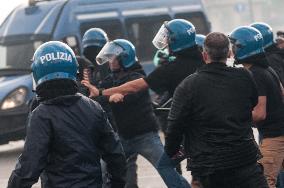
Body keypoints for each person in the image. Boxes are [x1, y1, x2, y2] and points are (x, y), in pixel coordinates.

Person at [7, 41, 126, 188]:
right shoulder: (93, 107)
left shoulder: (42, 114)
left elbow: (28, 167)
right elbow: (116, 155)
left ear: (39, 73)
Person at [165, 32, 268, 188]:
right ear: (229, 53)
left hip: (209, 166)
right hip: (244, 159)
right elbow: (252, 103)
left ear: (205, 55)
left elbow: (174, 124)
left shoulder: (189, 85)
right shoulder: (244, 76)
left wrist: (171, 150)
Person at [95, 38, 190, 188]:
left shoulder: (137, 76)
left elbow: (132, 94)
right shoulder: (109, 80)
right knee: (101, 170)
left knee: (166, 169)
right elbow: (98, 97)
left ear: (124, 58)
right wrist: (108, 97)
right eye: (109, 57)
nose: (110, 61)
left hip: (145, 136)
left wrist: (117, 97)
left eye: (113, 57)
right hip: (121, 137)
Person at [82, 19, 204, 99]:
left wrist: (101, 92)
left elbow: (134, 86)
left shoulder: (171, 69)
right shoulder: (207, 59)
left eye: (167, 38)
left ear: (176, 40)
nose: (165, 41)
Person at [230, 26, 284, 188]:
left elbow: (260, 114)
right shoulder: (266, 68)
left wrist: (234, 118)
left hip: (274, 137)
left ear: (242, 47)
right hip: (280, 132)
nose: (231, 50)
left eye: (234, 46)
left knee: (265, 181)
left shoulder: (255, 73)